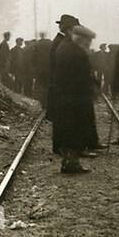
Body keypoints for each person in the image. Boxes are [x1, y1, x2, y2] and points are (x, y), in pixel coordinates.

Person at [53, 24, 98, 174]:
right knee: (74, 130)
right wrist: (93, 86)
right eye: (88, 41)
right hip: (76, 98)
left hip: (64, 97)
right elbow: (83, 76)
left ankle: (68, 162)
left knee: (67, 131)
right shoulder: (78, 53)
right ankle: (72, 164)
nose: (89, 44)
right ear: (81, 39)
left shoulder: (64, 48)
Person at [48, 13, 80, 153]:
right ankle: (61, 147)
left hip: (61, 84)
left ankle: (60, 146)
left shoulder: (60, 41)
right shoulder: (61, 43)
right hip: (62, 85)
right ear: (67, 29)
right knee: (62, 118)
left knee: (61, 118)